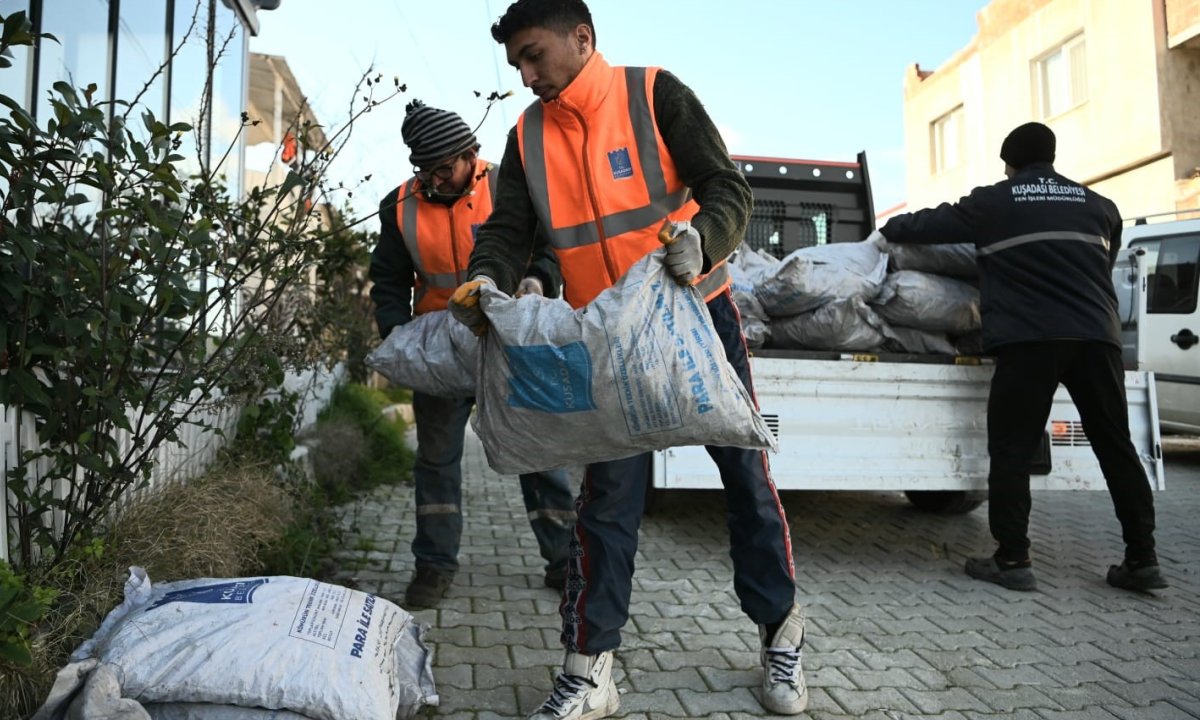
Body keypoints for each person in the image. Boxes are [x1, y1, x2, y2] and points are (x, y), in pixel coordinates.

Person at [446, 2, 806, 717]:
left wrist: (703, 239)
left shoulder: (653, 93)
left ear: (583, 39)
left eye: (533, 54)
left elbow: (728, 188)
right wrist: (485, 278)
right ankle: (589, 668)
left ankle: (781, 635)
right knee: (607, 501)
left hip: (696, 314)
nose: (525, 73)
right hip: (602, 337)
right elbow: (508, 229)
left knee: (745, 479)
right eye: (515, 61)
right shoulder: (527, 137)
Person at [878, 121, 1167, 594]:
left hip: (1030, 338)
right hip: (1098, 337)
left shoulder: (997, 200)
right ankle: (1143, 559)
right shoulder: (1100, 206)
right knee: (1116, 446)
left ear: (1010, 162)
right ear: (1051, 158)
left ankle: (1013, 559)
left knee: (1012, 448)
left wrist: (889, 227)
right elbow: (1105, 258)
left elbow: (925, 226)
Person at [368, 100, 577, 609]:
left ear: (471, 155)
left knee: (538, 452)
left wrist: (536, 279)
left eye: (445, 168)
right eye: (426, 170)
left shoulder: (511, 183)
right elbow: (390, 280)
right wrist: (397, 335)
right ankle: (434, 566)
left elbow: (549, 248)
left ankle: (565, 563)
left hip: (512, 341)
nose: (435, 180)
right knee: (437, 460)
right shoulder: (399, 205)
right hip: (441, 349)